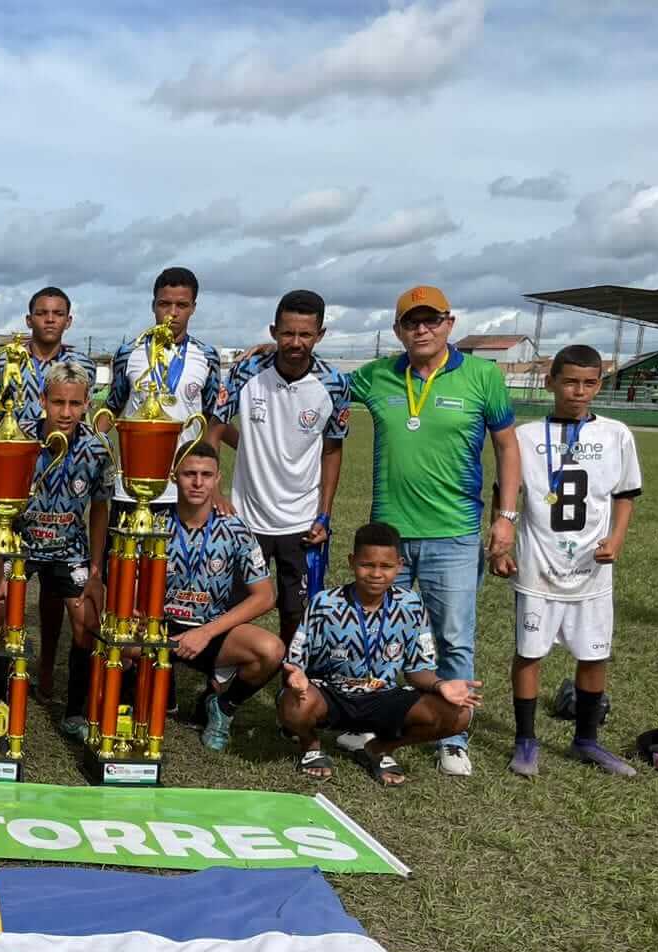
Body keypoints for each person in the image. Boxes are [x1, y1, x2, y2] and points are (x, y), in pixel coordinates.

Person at [349, 285, 521, 777]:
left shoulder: (483, 376)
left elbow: (508, 450)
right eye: (410, 322)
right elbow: (318, 382)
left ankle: (453, 734)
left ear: (449, 323)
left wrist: (505, 519)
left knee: (453, 638)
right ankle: (379, 722)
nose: (421, 329)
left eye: (431, 321)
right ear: (398, 329)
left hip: (456, 533)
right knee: (381, 632)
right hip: (390, 539)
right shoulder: (377, 375)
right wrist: (270, 352)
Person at [495, 344, 641, 778]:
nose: (579, 391)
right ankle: (525, 741)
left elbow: (625, 496)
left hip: (592, 570)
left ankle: (586, 741)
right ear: (550, 382)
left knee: (594, 655)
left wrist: (616, 539)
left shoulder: (616, 434)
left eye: (589, 383)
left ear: (599, 384)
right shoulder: (524, 436)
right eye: (570, 381)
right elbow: (505, 493)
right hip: (537, 565)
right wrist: (500, 547)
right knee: (529, 652)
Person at [279, 522, 481, 786]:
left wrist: (440, 685)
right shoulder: (325, 603)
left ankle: (379, 748)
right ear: (352, 562)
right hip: (332, 694)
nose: (376, 574)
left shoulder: (411, 604)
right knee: (292, 701)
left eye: (386, 567)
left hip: (382, 696)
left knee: (459, 715)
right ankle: (310, 745)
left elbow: (417, 669)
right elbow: (296, 661)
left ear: (399, 565)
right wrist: (296, 677)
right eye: (367, 565)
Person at [213, 289, 350, 645]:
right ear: (273, 331)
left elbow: (332, 451)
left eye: (306, 334)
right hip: (246, 519)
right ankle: (224, 684)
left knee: (297, 611)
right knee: (234, 605)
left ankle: (290, 681)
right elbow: (212, 429)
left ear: (320, 335)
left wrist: (324, 515)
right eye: (288, 333)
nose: (295, 342)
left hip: (302, 522)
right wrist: (214, 491)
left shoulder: (334, 384)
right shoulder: (247, 370)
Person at [9, 360, 112, 739]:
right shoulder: (21, 439)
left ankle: (74, 711)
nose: (65, 412)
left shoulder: (97, 449)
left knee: (87, 620)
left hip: (71, 550)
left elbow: (100, 509)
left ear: (87, 402)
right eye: (57, 403)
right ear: (43, 401)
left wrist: (97, 568)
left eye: (74, 403)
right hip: (23, 546)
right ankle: (0, 696)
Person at [163, 444, 285, 751]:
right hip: (160, 628)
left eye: (206, 475)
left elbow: (265, 595)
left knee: (270, 650)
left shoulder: (235, 528)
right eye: (190, 474)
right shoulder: (154, 523)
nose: (198, 482)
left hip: (210, 630)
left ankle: (224, 706)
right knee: (117, 649)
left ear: (218, 479)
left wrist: (205, 633)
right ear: (173, 476)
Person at [103, 267, 224, 512]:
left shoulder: (207, 357)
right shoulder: (128, 353)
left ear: (193, 308)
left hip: (184, 489)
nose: (172, 313)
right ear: (153, 305)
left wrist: (213, 484)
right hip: (132, 487)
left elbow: (210, 420)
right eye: (164, 304)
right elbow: (112, 408)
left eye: (181, 305)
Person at [0, 287, 99, 435]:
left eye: (58, 314)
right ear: (29, 320)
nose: (50, 320)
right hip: (18, 453)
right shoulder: (5, 364)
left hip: (67, 453)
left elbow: (82, 418)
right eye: (41, 313)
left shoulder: (83, 366)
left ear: (68, 321)